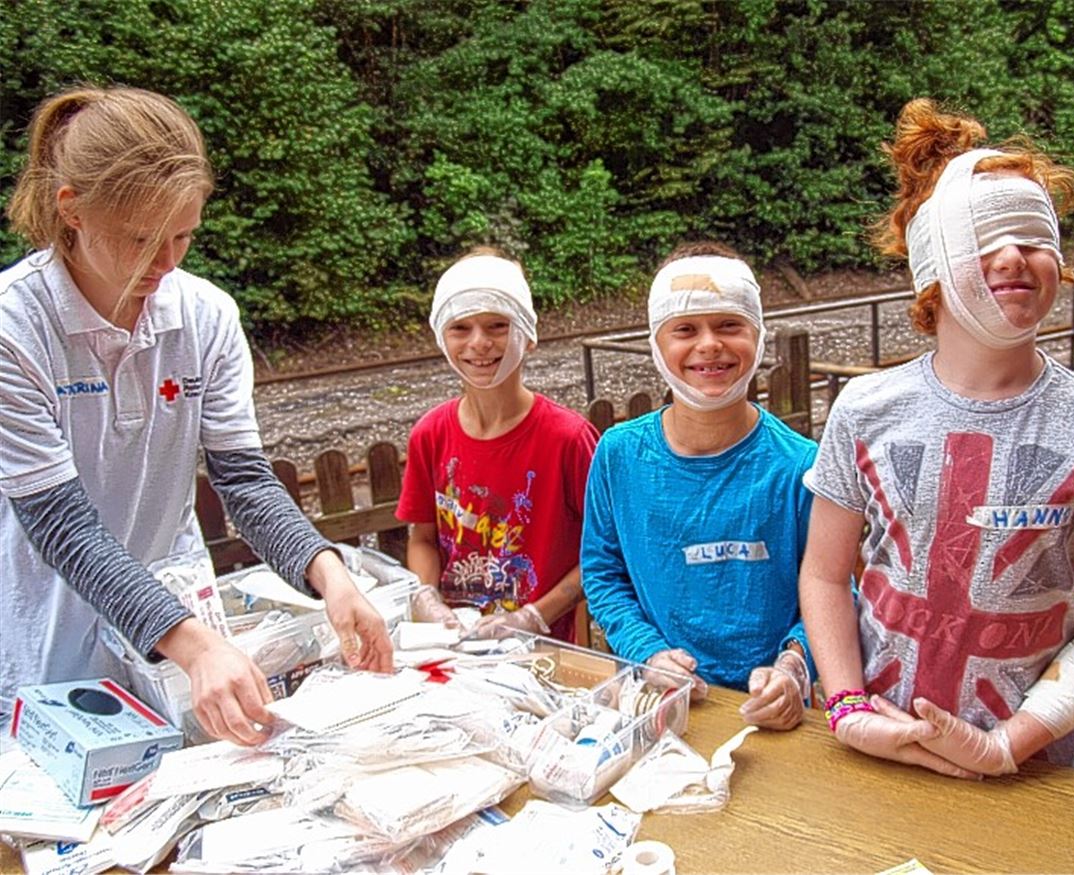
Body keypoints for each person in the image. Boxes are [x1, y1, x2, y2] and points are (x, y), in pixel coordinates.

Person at [0, 86, 393, 747]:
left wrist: (331, 573)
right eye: (143, 239)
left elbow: (244, 481)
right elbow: (63, 529)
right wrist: (192, 642)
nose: (168, 262)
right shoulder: (16, 328)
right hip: (50, 627)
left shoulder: (204, 316)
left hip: (178, 621)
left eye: (184, 234)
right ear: (73, 210)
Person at [798, 98, 1074, 778]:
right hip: (877, 742)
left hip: (1035, 764)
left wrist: (1005, 743)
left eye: (1034, 236)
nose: (1015, 254)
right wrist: (844, 706)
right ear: (933, 267)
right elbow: (825, 573)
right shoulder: (865, 408)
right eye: (984, 239)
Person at [580, 241, 816, 729]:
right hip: (658, 702)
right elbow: (603, 573)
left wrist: (795, 664)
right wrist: (645, 650)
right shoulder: (619, 455)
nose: (709, 344)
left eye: (729, 325)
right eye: (685, 329)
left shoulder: (800, 466)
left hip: (773, 711)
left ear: (759, 334)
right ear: (656, 344)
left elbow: (835, 587)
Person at [396, 248, 598, 642]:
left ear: (529, 335)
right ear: (441, 337)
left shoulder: (568, 439)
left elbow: (603, 555)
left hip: (547, 651)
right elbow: (422, 539)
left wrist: (533, 616)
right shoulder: (429, 435)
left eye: (497, 326)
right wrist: (427, 597)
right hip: (455, 646)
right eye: (460, 328)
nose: (479, 343)